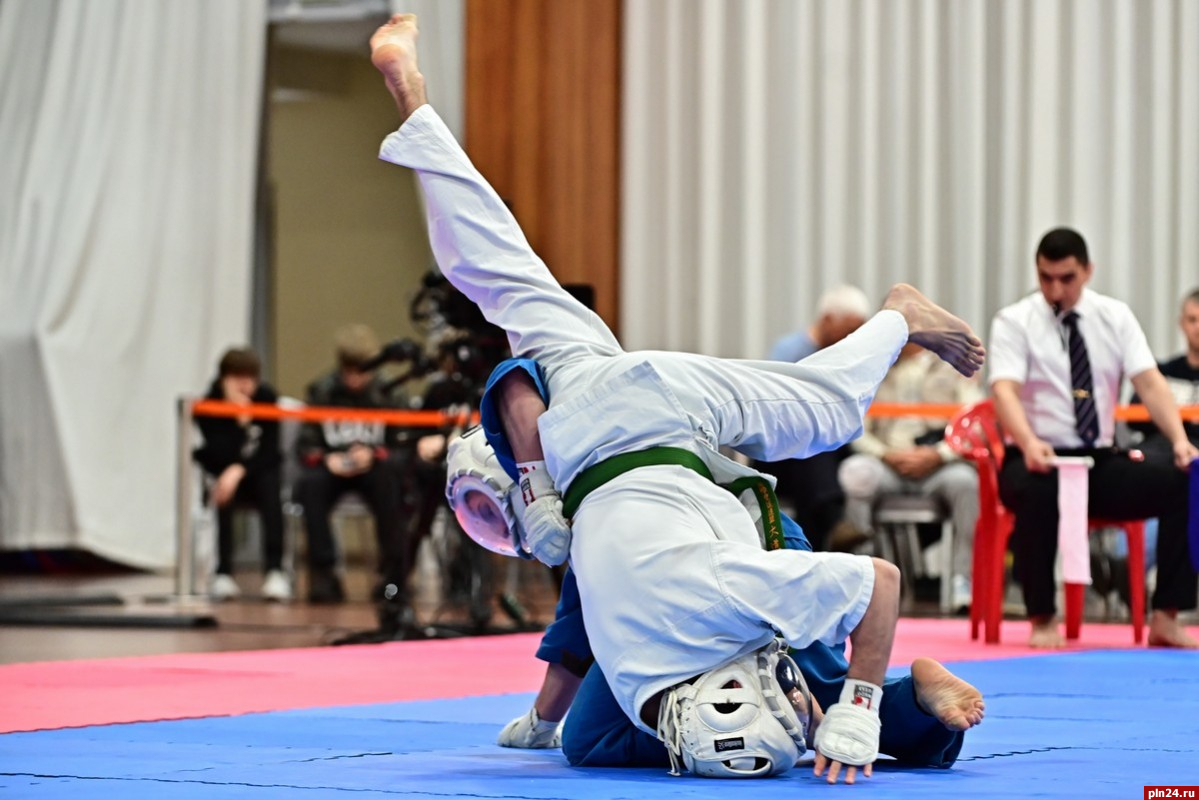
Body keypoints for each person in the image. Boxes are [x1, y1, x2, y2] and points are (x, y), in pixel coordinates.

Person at [371, 13, 985, 782]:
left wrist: (534, 491)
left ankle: (895, 317)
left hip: (660, 446)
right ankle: (412, 97)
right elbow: (576, 623)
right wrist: (539, 716)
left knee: (822, 410)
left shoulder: (622, 542)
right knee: (499, 269)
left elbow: (515, 392)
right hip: (657, 435)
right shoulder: (614, 573)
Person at [446, 361, 982, 772]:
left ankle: (781, 712)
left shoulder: (591, 502)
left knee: (594, 737)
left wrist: (541, 723)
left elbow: (576, 637)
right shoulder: (608, 432)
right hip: (755, 542)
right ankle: (907, 705)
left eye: (492, 511)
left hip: (742, 562)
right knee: (828, 703)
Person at [989, 227, 1199, 649]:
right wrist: (1028, 441)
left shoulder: (1114, 316)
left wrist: (1179, 439)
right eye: (1046, 277)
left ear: (1088, 271)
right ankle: (1042, 617)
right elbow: (1004, 391)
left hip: (1098, 462)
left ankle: (1166, 615)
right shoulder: (1014, 321)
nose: (1055, 289)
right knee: (1038, 489)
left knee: (1185, 480)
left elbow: (1150, 383)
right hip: (1036, 457)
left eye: (1066, 278)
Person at [838, 343, 983, 610]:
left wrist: (940, 454)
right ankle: (863, 577)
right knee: (856, 473)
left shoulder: (954, 365)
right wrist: (885, 454)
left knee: (967, 482)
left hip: (940, 465)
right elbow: (856, 427)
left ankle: (963, 582)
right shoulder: (875, 367)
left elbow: (974, 423)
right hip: (889, 463)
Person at [294, 323, 409, 612]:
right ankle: (324, 574)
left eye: (362, 371)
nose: (355, 378)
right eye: (349, 371)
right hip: (333, 468)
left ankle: (391, 577)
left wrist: (375, 454)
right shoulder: (322, 391)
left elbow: (405, 444)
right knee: (310, 484)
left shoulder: (391, 393)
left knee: (390, 481)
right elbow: (305, 444)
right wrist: (325, 458)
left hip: (375, 468)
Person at [755, 286, 872, 551]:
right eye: (849, 330)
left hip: (824, 452)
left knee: (819, 447)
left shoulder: (848, 355)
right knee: (810, 445)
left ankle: (827, 532)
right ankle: (834, 525)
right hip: (780, 451)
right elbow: (772, 411)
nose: (852, 337)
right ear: (827, 319)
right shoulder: (788, 353)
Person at [193, 347, 290, 601]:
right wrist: (238, 424)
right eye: (238, 378)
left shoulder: (266, 398)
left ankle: (275, 571)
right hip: (222, 474)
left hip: (257, 472)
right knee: (222, 490)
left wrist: (239, 469)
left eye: (251, 378)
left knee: (271, 486)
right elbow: (215, 452)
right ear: (223, 379)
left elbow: (270, 452)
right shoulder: (208, 404)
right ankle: (222, 572)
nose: (245, 386)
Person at [1130, 287, 1199, 456]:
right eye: (1192, 319)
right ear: (1181, 323)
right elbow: (1133, 418)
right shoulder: (1161, 372)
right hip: (1159, 451)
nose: (1198, 327)